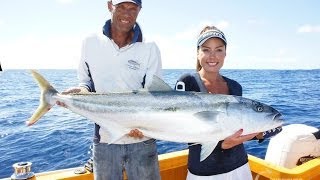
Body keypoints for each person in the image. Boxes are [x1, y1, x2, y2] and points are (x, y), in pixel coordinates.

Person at [57, 0, 162, 179]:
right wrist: (80, 92)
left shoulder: (150, 47)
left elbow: (154, 94)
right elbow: (86, 82)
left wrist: (144, 126)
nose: (127, 13)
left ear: (140, 10)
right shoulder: (90, 42)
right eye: (121, 7)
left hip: (142, 140)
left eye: (132, 8)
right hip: (105, 140)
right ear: (109, 6)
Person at [175, 25, 281, 180]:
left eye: (218, 50)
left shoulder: (235, 86)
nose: (212, 56)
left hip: (239, 167)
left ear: (225, 53)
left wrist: (256, 134)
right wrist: (222, 145)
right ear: (198, 53)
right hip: (203, 172)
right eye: (206, 49)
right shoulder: (187, 82)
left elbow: (241, 128)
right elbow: (179, 126)